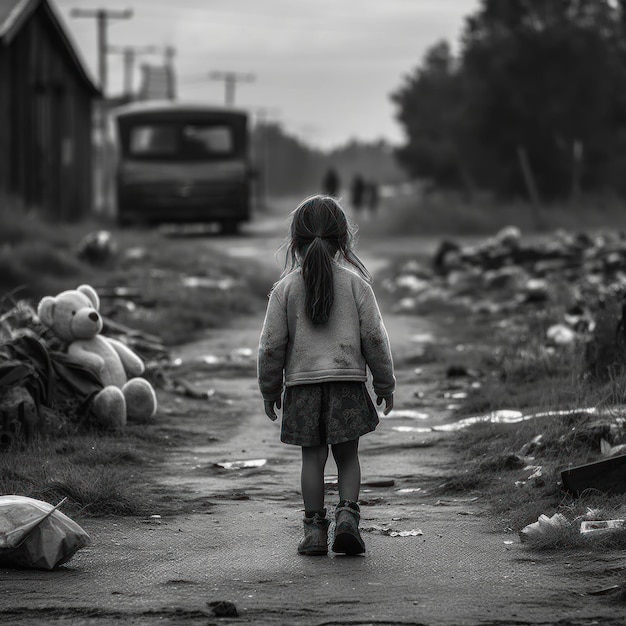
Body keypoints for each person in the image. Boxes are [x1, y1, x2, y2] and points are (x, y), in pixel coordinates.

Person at [257, 195, 395, 557]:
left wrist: (270, 389)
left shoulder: (285, 289)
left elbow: (271, 346)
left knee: (312, 460)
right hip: (347, 384)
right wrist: (385, 382)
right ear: (343, 240)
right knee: (347, 458)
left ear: (296, 240)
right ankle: (348, 519)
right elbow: (375, 339)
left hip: (302, 389)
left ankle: (314, 532)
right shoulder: (356, 285)